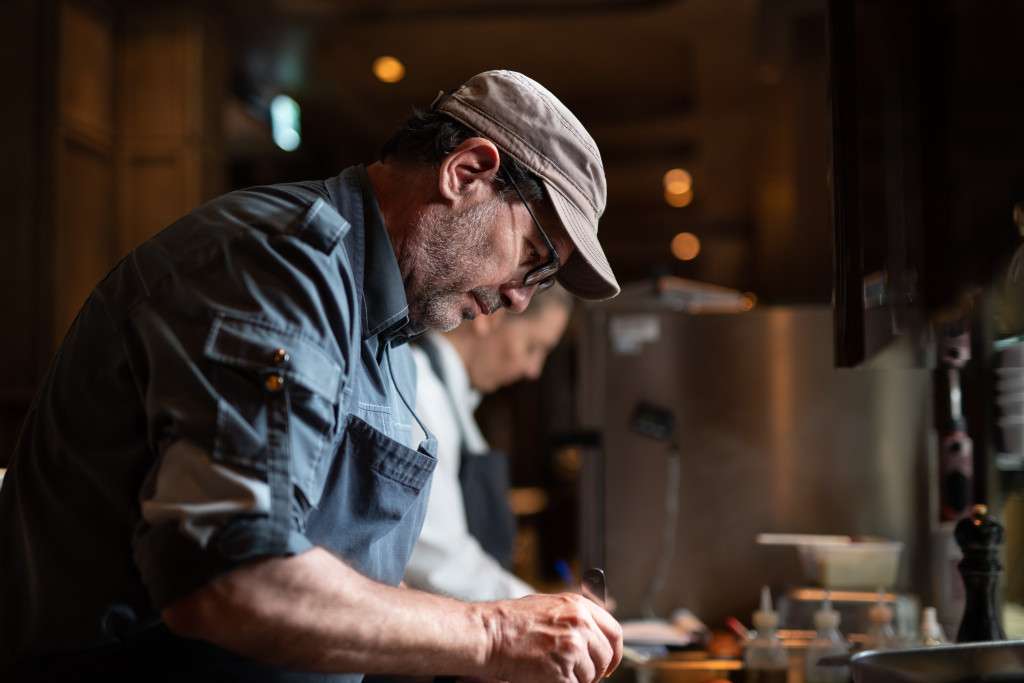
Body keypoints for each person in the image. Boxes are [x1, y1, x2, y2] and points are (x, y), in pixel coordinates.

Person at [0, 70, 622, 683]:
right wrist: (491, 634)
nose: (520, 299)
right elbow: (227, 579)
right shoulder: (279, 267)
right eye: (534, 258)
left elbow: (343, 572)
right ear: (466, 174)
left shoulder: (387, 332)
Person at [404, 284, 573, 602]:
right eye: (531, 347)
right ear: (490, 319)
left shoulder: (457, 398)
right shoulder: (421, 392)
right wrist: (534, 606)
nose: (533, 370)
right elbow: (439, 563)